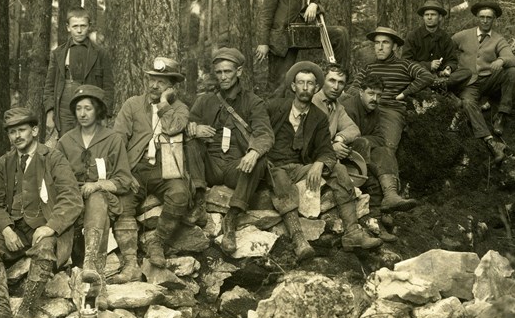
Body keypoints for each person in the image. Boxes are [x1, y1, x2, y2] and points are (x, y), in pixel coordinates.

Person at [0, 108, 82, 318]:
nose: (17, 136)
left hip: (46, 226)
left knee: (44, 250)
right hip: (15, 227)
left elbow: (72, 198)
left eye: (22, 130)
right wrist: (5, 229)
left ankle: (27, 310)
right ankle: (2, 309)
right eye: (12, 132)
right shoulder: (5, 162)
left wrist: (51, 227)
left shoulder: (53, 158)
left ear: (34, 130)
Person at [267, 62, 382, 256]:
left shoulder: (319, 117)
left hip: (299, 167)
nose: (305, 88)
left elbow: (327, 150)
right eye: (301, 83)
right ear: (293, 86)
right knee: (279, 178)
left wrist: (319, 163)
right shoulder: (274, 108)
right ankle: (299, 240)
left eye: (310, 84)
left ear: (316, 88)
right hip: (271, 166)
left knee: (339, 169)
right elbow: (256, 130)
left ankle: (352, 233)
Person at [186, 48, 274, 255]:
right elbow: (187, 123)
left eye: (228, 71)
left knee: (260, 158)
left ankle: (232, 217)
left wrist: (253, 152)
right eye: (219, 72)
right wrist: (194, 129)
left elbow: (265, 134)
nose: (223, 77)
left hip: (238, 167)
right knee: (190, 143)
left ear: (239, 72)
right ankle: (199, 202)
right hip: (212, 166)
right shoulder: (205, 100)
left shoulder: (253, 102)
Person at [57, 85, 135, 312]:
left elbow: (123, 179)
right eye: (79, 108)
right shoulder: (65, 141)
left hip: (102, 201)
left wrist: (98, 185)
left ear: (98, 110)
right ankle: (92, 282)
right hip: (72, 200)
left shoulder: (112, 139)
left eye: (88, 108)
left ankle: (91, 264)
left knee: (97, 200)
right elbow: (56, 177)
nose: (82, 113)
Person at [113, 57, 191, 268]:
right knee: (123, 204)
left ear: (171, 87)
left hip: (165, 168)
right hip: (135, 166)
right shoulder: (132, 105)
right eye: (152, 80)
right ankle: (130, 261)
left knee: (179, 194)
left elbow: (174, 127)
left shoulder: (180, 108)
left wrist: (164, 104)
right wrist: (124, 174)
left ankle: (157, 243)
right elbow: (117, 140)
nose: (154, 86)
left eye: (162, 82)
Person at [451, 1, 515, 164]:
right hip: (469, 83)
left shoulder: (498, 39)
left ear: (494, 19)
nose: (485, 21)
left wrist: (501, 60)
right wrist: (449, 66)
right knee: (467, 102)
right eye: (482, 17)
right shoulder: (463, 35)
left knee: (512, 72)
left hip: (489, 81)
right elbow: (446, 47)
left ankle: (501, 115)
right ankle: (491, 142)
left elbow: (512, 59)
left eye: (489, 18)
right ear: (477, 18)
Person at [341, 74, 418, 213]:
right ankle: (381, 213)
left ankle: (391, 195)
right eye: (370, 93)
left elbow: (380, 139)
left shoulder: (374, 110)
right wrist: (364, 140)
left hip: (365, 152)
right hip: (346, 156)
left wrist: (365, 140)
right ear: (360, 92)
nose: (375, 99)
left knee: (385, 150)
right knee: (366, 146)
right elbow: (347, 138)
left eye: (378, 95)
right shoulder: (349, 108)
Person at [350, 27, 433, 151]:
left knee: (387, 147)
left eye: (385, 42)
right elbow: (354, 88)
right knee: (351, 142)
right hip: (368, 110)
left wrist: (405, 93)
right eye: (377, 43)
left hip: (390, 110)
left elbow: (427, 76)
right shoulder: (369, 67)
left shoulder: (405, 65)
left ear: (394, 47)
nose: (380, 47)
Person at [43, 6, 114, 137]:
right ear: (68, 27)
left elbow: (108, 87)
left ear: (89, 26)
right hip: (64, 108)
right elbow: (49, 87)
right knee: (66, 143)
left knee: (90, 143)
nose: (79, 30)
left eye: (83, 26)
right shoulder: (58, 53)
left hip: (90, 107)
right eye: (75, 26)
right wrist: (50, 112)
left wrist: (105, 114)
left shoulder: (100, 53)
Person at [402, 0, 471, 93]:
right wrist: (428, 65)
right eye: (427, 15)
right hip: (419, 75)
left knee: (466, 72)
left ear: (440, 17)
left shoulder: (445, 37)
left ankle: (438, 84)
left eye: (433, 15)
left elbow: (452, 60)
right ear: (423, 17)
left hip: (439, 76)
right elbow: (406, 62)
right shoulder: (413, 36)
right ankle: (433, 84)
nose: (429, 18)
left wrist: (448, 68)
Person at [311, 65, 360, 161]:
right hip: (308, 155)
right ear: (322, 81)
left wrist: (339, 139)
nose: (336, 87)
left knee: (361, 143)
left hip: (326, 153)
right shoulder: (311, 101)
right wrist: (331, 146)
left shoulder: (337, 107)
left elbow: (354, 129)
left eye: (341, 83)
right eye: (332, 81)